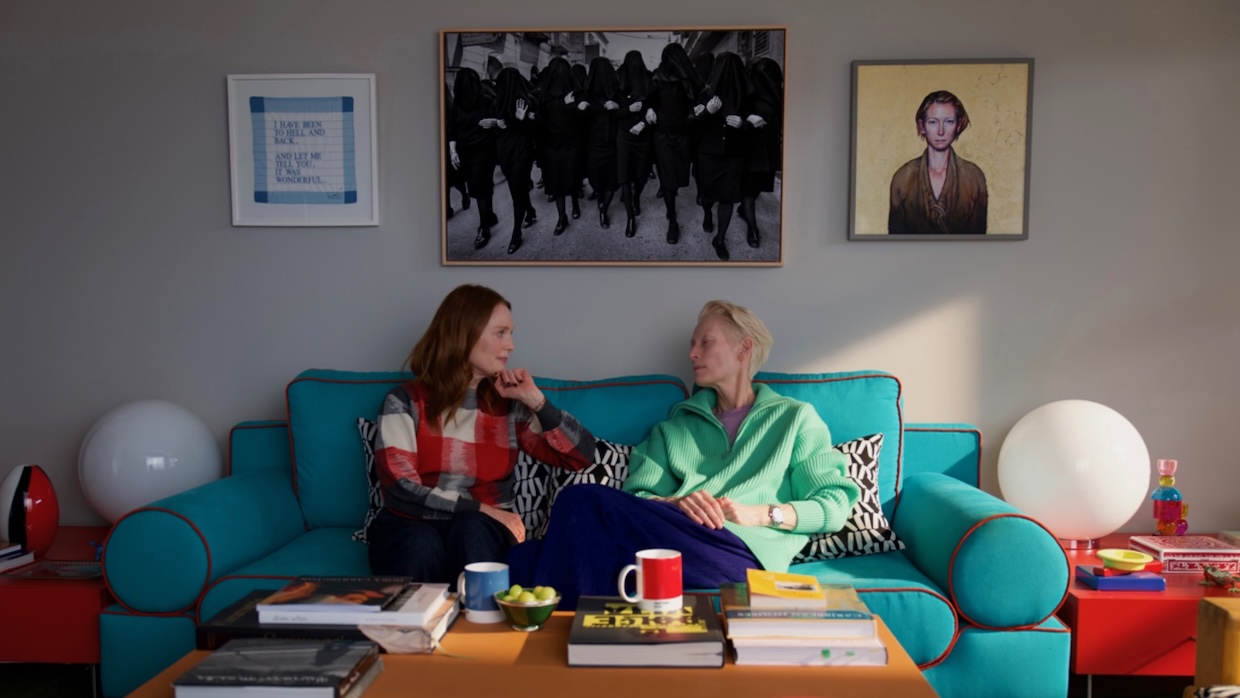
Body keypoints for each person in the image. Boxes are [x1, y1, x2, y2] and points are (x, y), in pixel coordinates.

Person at [508, 300, 861, 608]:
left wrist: (761, 514)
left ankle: (561, 654)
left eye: (705, 343)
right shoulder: (673, 428)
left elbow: (834, 504)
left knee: (576, 505)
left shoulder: (794, 419)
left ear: (744, 349)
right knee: (522, 558)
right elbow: (638, 500)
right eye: (692, 345)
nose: (692, 353)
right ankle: (591, 650)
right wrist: (677, 503)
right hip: (673, 542)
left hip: (742, 554)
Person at [367, 284, 597, 585]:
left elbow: (581, 457)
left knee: (472, 528)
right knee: (422, 544)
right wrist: (482, 507)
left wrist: (536, 402)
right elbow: (400, 489)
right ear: (464, 334)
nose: (511, 345)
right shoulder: (404, 402)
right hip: (411, 524)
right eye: (501, 333)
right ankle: (415, 628)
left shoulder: (507, 407)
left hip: (481, 529)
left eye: (511, 333)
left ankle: (479, 626)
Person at [888, 90, 988, 235]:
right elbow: (893, 241)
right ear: (922, 126)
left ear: (958, 125)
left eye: (949, 121)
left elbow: (980, 241)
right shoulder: (903, 177)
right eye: (933, 122)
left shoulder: (973, 177)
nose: (941, 131)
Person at [693, 52, 750, 261]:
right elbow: (692, 123)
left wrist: (743, 124)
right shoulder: (705, 94)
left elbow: (754, 124)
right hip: (709, 153)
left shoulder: (746, 94)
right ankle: (708, 213)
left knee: (728, 198)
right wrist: (707, 111)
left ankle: (720, 238)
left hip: (734, 154)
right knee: (707, 195)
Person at [646, 43, 703, 244]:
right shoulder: (656, 79)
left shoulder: (689, 81)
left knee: (678, 177)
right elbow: (647, 100)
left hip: (683, 136)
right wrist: (649, 109)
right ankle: (673, 221)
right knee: (669, 180)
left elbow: (699, 102)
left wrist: (698, 112)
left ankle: (670, 200)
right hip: (662, 137)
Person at [447, 68, 499, 249]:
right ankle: (489, 217)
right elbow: (451, 130)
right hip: (482, 152)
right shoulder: (485, 100)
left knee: (479, 189)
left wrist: (453, 151)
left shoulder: (456, 105)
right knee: (483, 186)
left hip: (475, 152)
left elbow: (452, 131)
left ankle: (484, 228)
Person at [491, 67, 538, 255]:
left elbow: (535, 130)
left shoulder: (526, 101)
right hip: (505, 153)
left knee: (517, 191)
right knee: (515, 189)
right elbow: (495, 131)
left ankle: (516, 234)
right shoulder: (497, 102)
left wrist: (521, 119)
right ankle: (531, 211)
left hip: (522, 152)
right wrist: (498, 125)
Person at [536, 57, 584, 236]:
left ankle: (575, 204)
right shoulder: (544, 95)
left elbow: (583, 121)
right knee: (556, 182)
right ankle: (561, 217)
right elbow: (540, 122)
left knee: (571, 177)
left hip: (571, 143)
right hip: (552, 146)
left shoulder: (576, 93)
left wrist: (571, 106)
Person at [739, 57, 783, 250]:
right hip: (752, 150)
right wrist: (747, 119)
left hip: (769, 149)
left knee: (758, 188)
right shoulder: (747, 95)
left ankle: (743, 210)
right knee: (749, 191)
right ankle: (752, 229)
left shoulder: (778, 96)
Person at [615, 50, 654, 238]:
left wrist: (645, 122)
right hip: (624, 136)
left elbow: (655, 108)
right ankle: (630, 217)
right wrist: (628, 109)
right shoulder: (618, 80)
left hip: (644, 136)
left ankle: (636, 197)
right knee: (624, 176)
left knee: (641, 174)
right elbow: (611, 115)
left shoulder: (649, 79)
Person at [580, 56, 620, 230]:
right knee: (597, 179)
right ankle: (601, 197)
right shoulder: (586, 95)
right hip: (596, 143)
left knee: (610, 180)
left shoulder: (617, 93)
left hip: (610, 143)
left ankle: (603, 210)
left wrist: (618, 107)